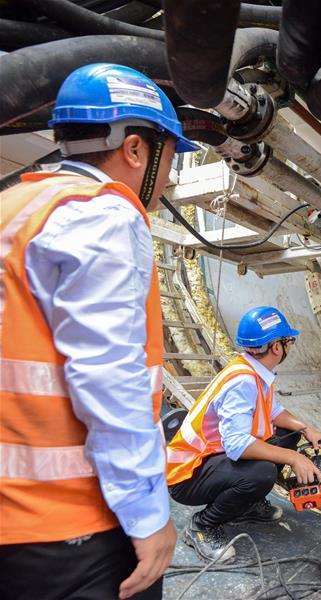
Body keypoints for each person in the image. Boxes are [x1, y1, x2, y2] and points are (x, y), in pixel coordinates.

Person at [0, 63, 199, 600]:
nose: (171, 177)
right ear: (135, 149)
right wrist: (148, 515)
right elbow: (108, 374)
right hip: (71, 524)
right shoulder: (103, 212)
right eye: (170, 157)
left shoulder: (15, 207)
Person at [166, 306, 321, 563]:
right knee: (262, 473)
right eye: (289, 341)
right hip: (186, 476)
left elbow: (275, 411)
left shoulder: (254, 369)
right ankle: (202, 526)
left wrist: (307, 430)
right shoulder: (243, 381)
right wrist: (294, 458)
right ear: (277, 347)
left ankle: (246, 506)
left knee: (288, 435)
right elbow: (236, 446)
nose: (290, 345)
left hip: (210, 460)